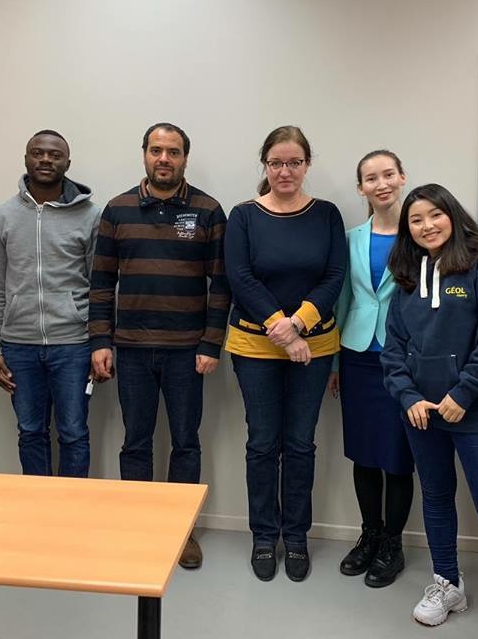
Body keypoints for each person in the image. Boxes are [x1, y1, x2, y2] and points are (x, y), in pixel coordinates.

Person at [381, 184, 478, 639]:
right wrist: (408, 396)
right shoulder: (408, 275)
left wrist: (464, 394)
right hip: (423, 414)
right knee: (435, 498)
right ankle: (448, 586)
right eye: (416, 220)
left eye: (435, 215)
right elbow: (394, 348)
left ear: (452, 215)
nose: (427, 225)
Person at [88, 122, 229, 569]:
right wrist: (100, 340)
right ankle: (139, 528)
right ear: (144, 154)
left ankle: (180, 532)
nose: (163, 159)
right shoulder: (117, 210)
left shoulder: (208, 210)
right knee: (136, 442)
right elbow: (100, 282)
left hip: (188, 350)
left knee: (186, 443)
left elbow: (221, 284)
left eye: (173, 151)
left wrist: (211, 343)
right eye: (156, 150)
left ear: (185, 157)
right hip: (130, 349)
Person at [224, 126, 347, 582]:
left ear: (307, 165)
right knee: (262, 443)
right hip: (254, 347)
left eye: (294, 162)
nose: (285, 171)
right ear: (265, 165)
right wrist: (282, 329)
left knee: (299, 444)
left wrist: (298, 324)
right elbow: (240, 277)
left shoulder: (326, 214)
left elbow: (335, 276)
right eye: (276, 163)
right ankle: (263, 537)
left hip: (314, 347)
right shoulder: (244, 216)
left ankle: (295, 537)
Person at [0, 129, 101, 477]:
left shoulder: (91, 216)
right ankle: (37, 506)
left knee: (74, 433)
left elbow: (101, 287)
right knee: (31, 433)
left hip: (73, 345)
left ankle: (71, 506)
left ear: (67, 163)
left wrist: (100, 342)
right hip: (18, 346)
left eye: (54, 154)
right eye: (38, 153)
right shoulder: (1, 217)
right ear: (26, 159)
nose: (45, 159)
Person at [328, 150, 414, 588]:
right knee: (363, 453)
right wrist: (334, 362)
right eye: (371, 178)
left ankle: (393, 544)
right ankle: (370, 535)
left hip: (406, 359)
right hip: (358, 355)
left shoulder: (421, 234)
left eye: (388, 175)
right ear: (360, 188)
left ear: (402, 178)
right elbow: (344, 298)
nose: (381, 184)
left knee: (397, 457)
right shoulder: (351, 238)